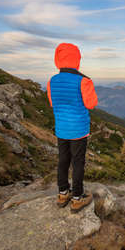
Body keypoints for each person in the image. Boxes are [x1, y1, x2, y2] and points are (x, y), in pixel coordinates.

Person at [46, 43, 98, 213]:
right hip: (79, 130)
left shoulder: (51, 81)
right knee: (78, 163)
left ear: (58, 59)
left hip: (61, 129)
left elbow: (53, 103)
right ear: (77, 59)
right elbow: (91, 104)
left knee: (63, 160)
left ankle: (62, 194)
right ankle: (77, 198)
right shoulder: (84, 81)